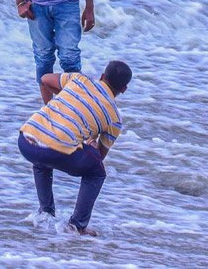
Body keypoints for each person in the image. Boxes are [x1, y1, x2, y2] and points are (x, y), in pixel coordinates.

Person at [17, 61, 130, 236]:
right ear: (123, 90)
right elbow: (99, 156)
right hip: (54, 151)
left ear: (102, 76)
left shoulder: (79, 79)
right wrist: (91, 143)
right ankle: (77, 225)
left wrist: (55, 105)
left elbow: (45, 79)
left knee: (42, 152)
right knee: (97, 172)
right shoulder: (114, 118)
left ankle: (46, 212)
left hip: (26, 139)